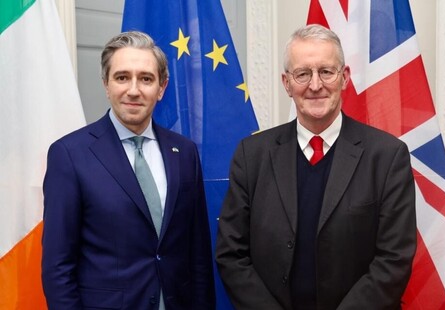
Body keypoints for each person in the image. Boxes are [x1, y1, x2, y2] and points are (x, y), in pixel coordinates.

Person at [215, 24, 416, 309]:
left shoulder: (387, 157)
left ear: (344, 78)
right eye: (302, 74)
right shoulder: (252, 156)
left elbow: (394, 260)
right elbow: (231, 254)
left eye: (326, 71)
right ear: (286, 83)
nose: (315, 85)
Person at [42, 31, 215, 309]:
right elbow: (57, 265)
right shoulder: (70, 154)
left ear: (161, 87)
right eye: (122, 77)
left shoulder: (184, 153)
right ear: (106, 84)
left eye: (146, 79)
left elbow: (198, 255)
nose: (133, 90)